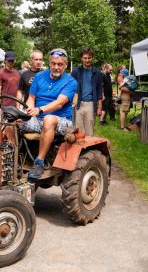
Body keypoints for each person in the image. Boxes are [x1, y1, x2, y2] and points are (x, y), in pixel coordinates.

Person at [21, 48, 78, 179]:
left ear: (66, 65)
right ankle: (11, 159)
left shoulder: (71, 82)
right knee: (11, 119)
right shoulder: (39, 76)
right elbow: (31, 98)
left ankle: (39, 162)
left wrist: (40, 110)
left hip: (61, 121)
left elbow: (59, 103)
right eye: (53, 63)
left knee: (49, 119)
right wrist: (28, 110)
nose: (56, 67)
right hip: (38, 119)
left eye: (60, 64)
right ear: (49, 63)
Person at [70, 47, 104, 136]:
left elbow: (99, 90)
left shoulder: (97, 73)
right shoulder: (75, 71)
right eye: (85, 58)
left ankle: (89, 149)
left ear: (92, 58)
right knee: (78, 131)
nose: (87, 60)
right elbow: (70, 88)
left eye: (89, 58)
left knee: (89, 131)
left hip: (91, 104)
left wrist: (99, 107)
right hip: (77, 104)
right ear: (81, 58)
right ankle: (79, 149)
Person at [117, 65, 132, 131]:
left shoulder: (125, 79)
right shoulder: (122, 78)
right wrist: (129, 90)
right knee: (123, 111)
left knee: (125, 111)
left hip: (127, 96)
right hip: (125, 96)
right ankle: (122, 127)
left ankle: (123, 126)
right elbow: (121, 87)